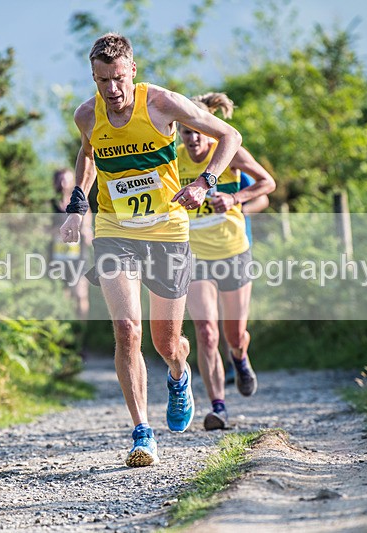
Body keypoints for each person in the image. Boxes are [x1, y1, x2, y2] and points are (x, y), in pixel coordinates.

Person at [59, 33, 242, 467]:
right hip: (115, 230)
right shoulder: (87, 114)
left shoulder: (161, 103)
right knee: (127, 330)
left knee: (165, 342)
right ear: (94, 77)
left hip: (166, 232)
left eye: (118, 78)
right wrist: (77, 206)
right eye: (102, 80)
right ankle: (142, 433)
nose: (112, 90)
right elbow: (87, 155)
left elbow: (229, 135)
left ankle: (180, 375)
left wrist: (204, 182)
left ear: (132, 72)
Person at [177, 92, 276, 431]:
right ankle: (219, 407)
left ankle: (239, 355)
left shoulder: (229, 153)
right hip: (194, 255)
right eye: (185, 132)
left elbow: (268, 183)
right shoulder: (173, 161)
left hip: (233, 251)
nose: (191, 139)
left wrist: (234, 198)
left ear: (209, 129)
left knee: (234, 333)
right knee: (206, 332)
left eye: (196, 132)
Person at [223, 170, 270, 385]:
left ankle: (237, 356)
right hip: (203, 248)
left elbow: (263, 198)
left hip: (238, 246)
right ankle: (226, 364)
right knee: (210, 316)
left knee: (233, 318)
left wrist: (239, 208)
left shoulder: (235, 168)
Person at [50, 168, 91, 322]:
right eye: (59, 180)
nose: (63, 184)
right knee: (61, 295)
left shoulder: (80, 204)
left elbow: (87, 229)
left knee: (80, 294)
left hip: (78, 257)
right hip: (56, 258)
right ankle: (62, 333)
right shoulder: (50, 204)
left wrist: (85, 231)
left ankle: (81, 331)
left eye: (66, 180)